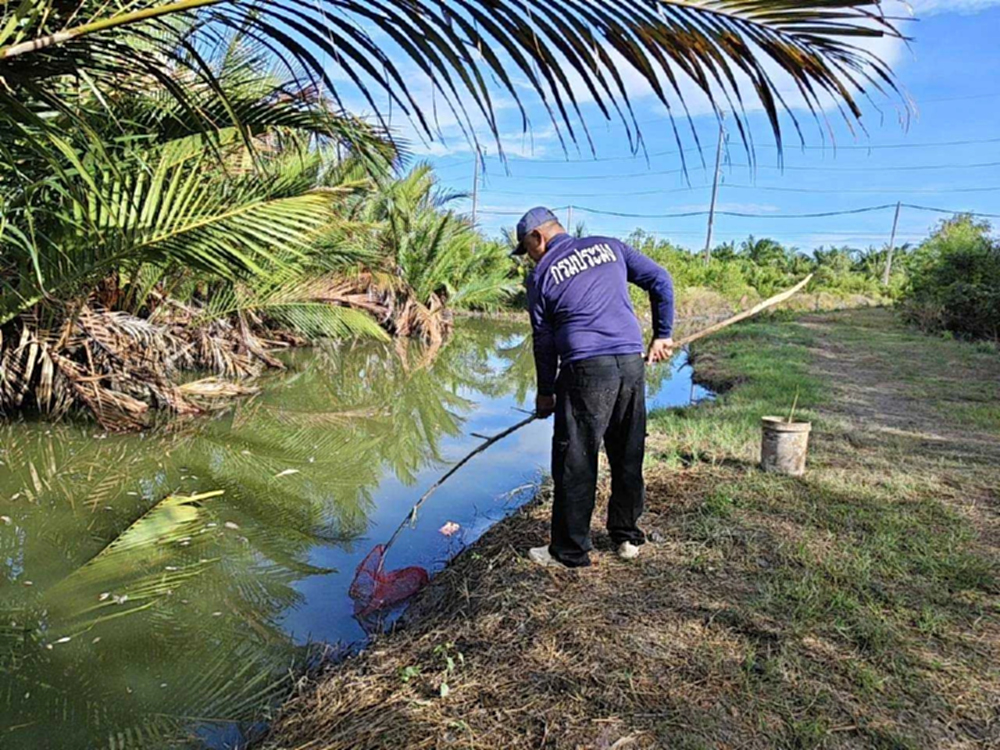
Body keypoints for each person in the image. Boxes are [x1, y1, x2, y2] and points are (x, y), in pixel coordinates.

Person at [513, 207, 675, 568]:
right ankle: (627, 537)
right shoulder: (610, 246)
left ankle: (569, 551)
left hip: (586, 369)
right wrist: (663, 334)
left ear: (539, 237)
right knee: (627, 451)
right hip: (630, 363)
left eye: (528, 249)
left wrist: (546, 392)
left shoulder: (541, 276)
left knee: (576, 459)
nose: (529, 258)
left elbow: (544, 341)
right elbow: (660, 279)